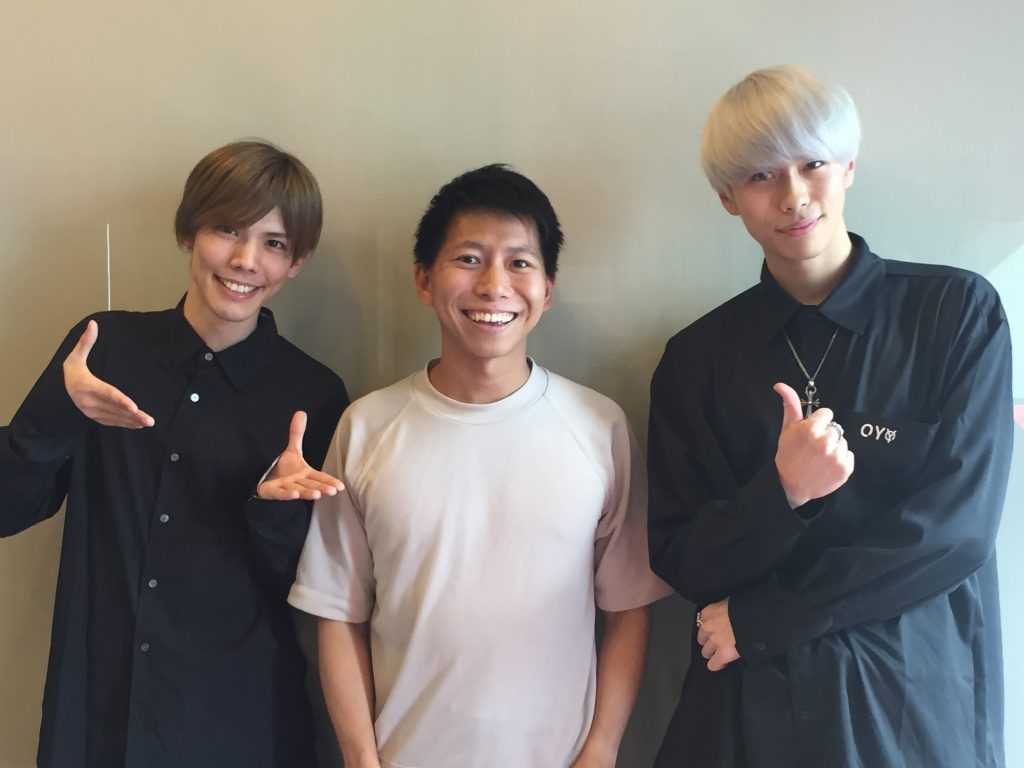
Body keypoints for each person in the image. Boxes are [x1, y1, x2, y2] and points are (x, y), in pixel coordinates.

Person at [647, 65, 1013, 767]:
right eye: (760, 175)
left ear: (848, 166)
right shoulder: (698, 360)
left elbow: (955, 534)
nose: (793, 195)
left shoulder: (954, 314)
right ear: (727, 198)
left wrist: (767, 617)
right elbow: (683, 558)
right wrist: (781, 494)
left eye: (812, 163)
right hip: (749, 714)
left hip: (908, 708)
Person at [270, 164, 669, 768]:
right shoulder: (367, 426)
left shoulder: (598, 426)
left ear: (548, 288)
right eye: (469, 259)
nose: (494, 285)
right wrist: (361, 759)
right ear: (424, 279)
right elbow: (337, 611)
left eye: (519, 262)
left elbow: (628, 607)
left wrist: (601, 750)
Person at [0, 140, 350, 768]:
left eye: (273, 243)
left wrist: (274, 513)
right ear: (189, 232)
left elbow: (317, 590)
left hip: (236, 721)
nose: (245, 260)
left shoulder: (311, 393)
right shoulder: (103, 351)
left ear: (296, 261)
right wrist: (56, 411)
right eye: (227, 229)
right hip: (99, 711)